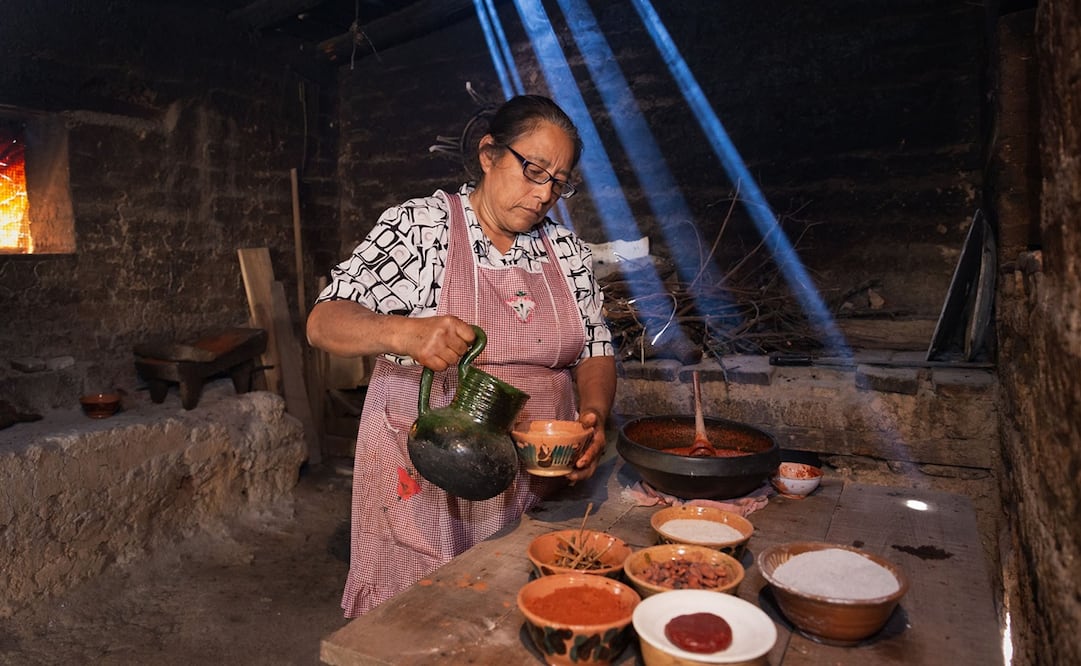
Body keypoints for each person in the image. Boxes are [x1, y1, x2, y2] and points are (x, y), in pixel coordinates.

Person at [306, 94, 616, 618]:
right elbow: (322, 322)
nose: (544, 195)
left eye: (558, 182)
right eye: (533, 170)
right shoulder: (422, 227)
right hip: (429, 469)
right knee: (424, 619)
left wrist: (594, 416)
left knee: (516, 613)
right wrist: (404, 334)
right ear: (489, 154)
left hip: (534, 477)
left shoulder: (567, 252)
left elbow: (596, 349)